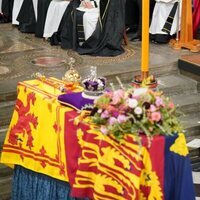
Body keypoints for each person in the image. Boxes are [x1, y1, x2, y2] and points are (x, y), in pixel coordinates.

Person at [51, 0, 125, 56]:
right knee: (75, 12)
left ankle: (90, 43)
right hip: (91, 5)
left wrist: (94, 4)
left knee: (87, 18)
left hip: (105, 11)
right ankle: (80, 42)